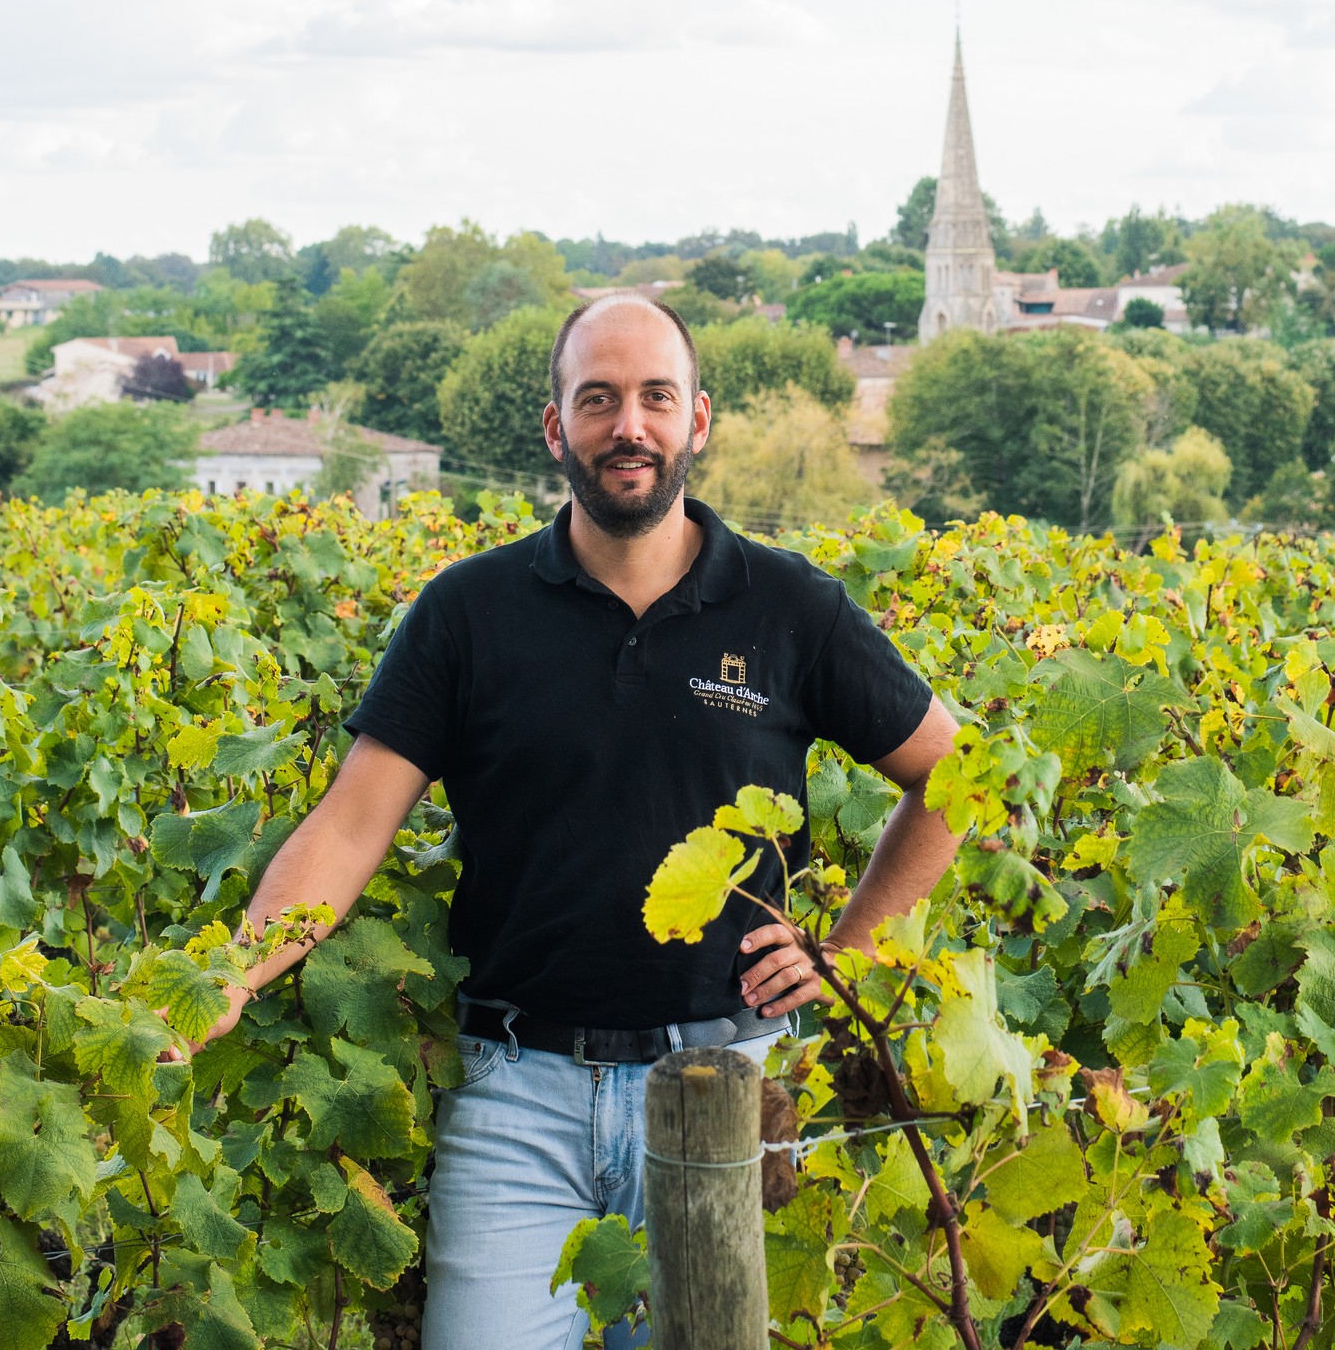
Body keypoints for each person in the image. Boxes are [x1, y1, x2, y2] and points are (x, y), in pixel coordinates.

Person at [198, 289, 961, 1350]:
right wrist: (234, 970)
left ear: (699, 419)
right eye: (597, 399)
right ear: (557, 427)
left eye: (656, 396)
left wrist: (852, 951)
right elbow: (349, 825)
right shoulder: (471, 611)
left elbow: (955, 775)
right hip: (517, 1098)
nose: (628, 425)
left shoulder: (791, 607)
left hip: (732, 1087)